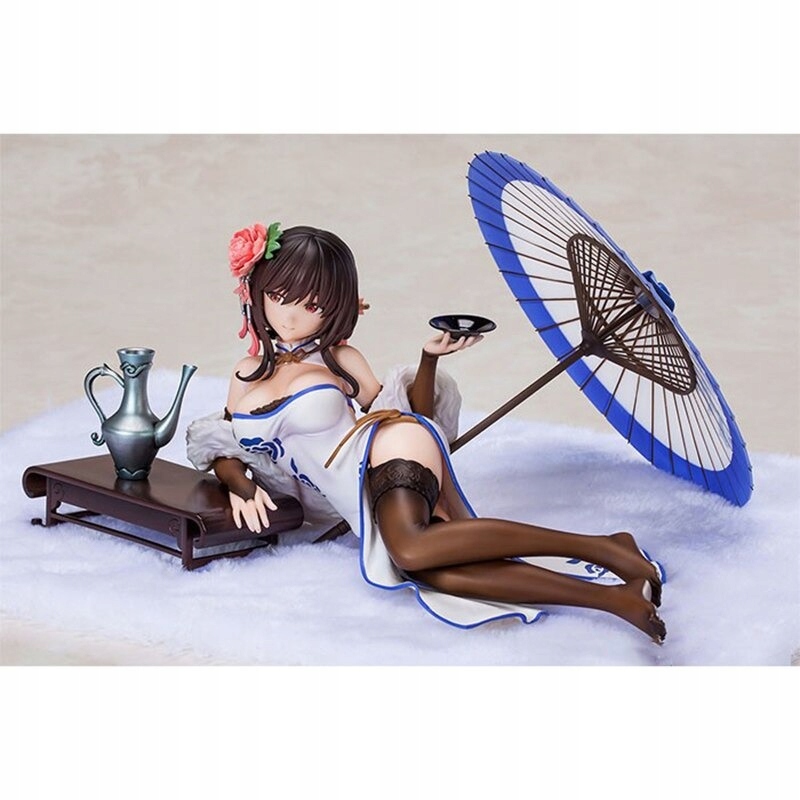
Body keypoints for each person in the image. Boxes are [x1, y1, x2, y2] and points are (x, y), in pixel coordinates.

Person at [186, 223, 666, 642]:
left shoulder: (339, 358)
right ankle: (614, 599)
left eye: (311, 304)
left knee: (411, 548)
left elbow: (407, 410)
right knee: (431, 571)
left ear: (334, 309)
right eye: (279, 297)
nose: (291, 316)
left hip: (385, 446)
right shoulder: (246, 373)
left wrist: (428, 359)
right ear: (256, 291)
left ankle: (601, 548)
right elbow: (221, 443)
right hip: (353, 498)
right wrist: (239, 483)